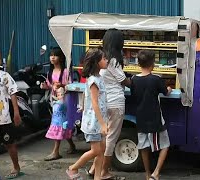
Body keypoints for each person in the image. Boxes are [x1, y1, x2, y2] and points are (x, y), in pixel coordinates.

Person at [88, 29, 131, 179]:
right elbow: (123, 80)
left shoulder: (102, 57)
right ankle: (104, 171)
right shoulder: (113, 60)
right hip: (115, 102)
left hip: (105, 102)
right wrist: (139, 81)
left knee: (104, 138)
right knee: (110, 139)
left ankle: (95, 169)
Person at [66, 48, 108, 180]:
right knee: (96, 151)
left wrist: (83, 107)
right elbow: (95, 102)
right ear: (96, 62)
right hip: (94, 122)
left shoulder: (97, 78)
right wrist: (103, 124)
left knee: (101, 151)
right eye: (104, 59)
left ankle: (97, 177)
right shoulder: (94, 80)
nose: (106, 60)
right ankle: (73, 168)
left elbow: (86, 95)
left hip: (97, 120)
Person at [131, 50, 172, 180]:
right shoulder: (156, 79)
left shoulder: (134, 79)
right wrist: (170, 89)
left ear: (138, 64)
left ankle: (148, 174)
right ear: (153, 64)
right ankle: (156, 173)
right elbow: (166, 92)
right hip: (155, 118)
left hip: (141, 118)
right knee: (165, 145)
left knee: (143, 147)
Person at [40, 47, 76, 161]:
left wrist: (62, 85)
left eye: (55, 55)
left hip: (63, 102)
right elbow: (50, 85)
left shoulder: (65, 72)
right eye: (51, 55)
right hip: (55, 101)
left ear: (60, 58)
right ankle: (72, 145)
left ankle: (55, 151)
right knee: (63, 124)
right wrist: (46, 86)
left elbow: (70, 85)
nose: (52, 57)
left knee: (57, 123)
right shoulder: (50, 72)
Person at [0, 47, 24, 179]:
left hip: (3, 118)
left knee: (9, 143)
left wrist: (16, 113)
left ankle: (16, 166)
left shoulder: (4, 76)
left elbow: (13, 94)